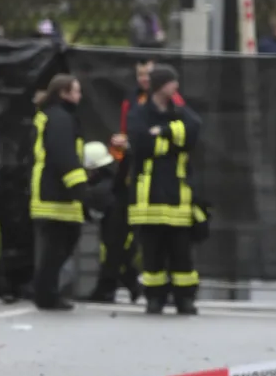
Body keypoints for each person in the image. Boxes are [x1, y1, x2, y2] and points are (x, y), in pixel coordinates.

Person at [128, 64, 201, 315]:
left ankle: (185, 299)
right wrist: (173, 143)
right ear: (161, 85)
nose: (176, 86)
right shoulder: (140, 113)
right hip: (148, 195)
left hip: (177, 193)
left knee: (182, 252)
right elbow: (141, 144)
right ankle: (154, 298)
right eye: (172, 82)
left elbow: (193, 130)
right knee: (152, 252)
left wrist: (164, 131)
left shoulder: (180, 112)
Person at [30, 74, 87, 310]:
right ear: (64, 93)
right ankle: (46, 295)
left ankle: (47, 292)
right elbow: (64, 155)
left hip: (53, 191)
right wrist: (81, 188)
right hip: (56, 194)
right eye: (76, 91)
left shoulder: (52, 115)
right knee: (56, 248)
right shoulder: (60, 118)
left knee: (57, 247)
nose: (80, 96)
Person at [83, 141, 140, 304]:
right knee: (118, 258)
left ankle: (108, 290)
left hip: (114, 227)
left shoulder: (99, 188)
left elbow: (91, 212)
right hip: (120, 226)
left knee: (113, 258)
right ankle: (127, 286)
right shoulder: (112, 182)